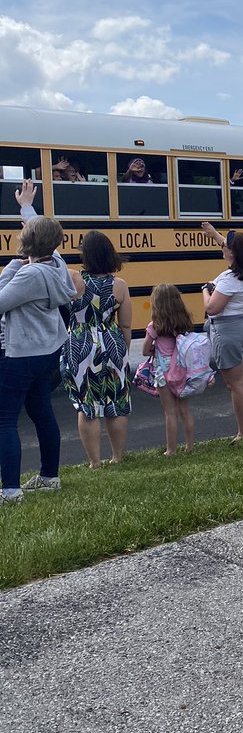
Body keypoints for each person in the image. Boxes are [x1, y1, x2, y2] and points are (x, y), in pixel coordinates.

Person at [0, 181, 79, 502]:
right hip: (47, 352)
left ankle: (10, 491)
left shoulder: (29, 275)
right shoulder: (57, 264)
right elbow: (43, 234)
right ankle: (49, 477)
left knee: (5, 420)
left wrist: (9, 269)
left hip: (21, 355)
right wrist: (27, 207)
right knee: (42, 413)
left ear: (26, 245)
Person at [61, 230, 133, 468]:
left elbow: (52, 261)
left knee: (87, 403)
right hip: (111, 339)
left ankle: (94, 462)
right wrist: (122, 351)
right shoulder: (120, 285)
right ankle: (117, 456)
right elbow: (126, 324)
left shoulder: (75, 279)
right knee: (115, 400)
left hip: (81, 341)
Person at [200, 221, 243, 440]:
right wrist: (214, 235)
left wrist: (205, 290)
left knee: (235, 385)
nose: (222, 246)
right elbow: (228, 245)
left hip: (229, 331)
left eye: (225, 246)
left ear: (232, 254)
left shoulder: (230, 280)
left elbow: (212, 308)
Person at [143, 285, 197, 456]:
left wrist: (155, 349)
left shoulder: (155, 326)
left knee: (169, 412)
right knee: (185, 410)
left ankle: (171, 450)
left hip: (163, 371)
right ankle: (189, 446)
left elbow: (145, 350)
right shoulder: (185, 322)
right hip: (182, 368)